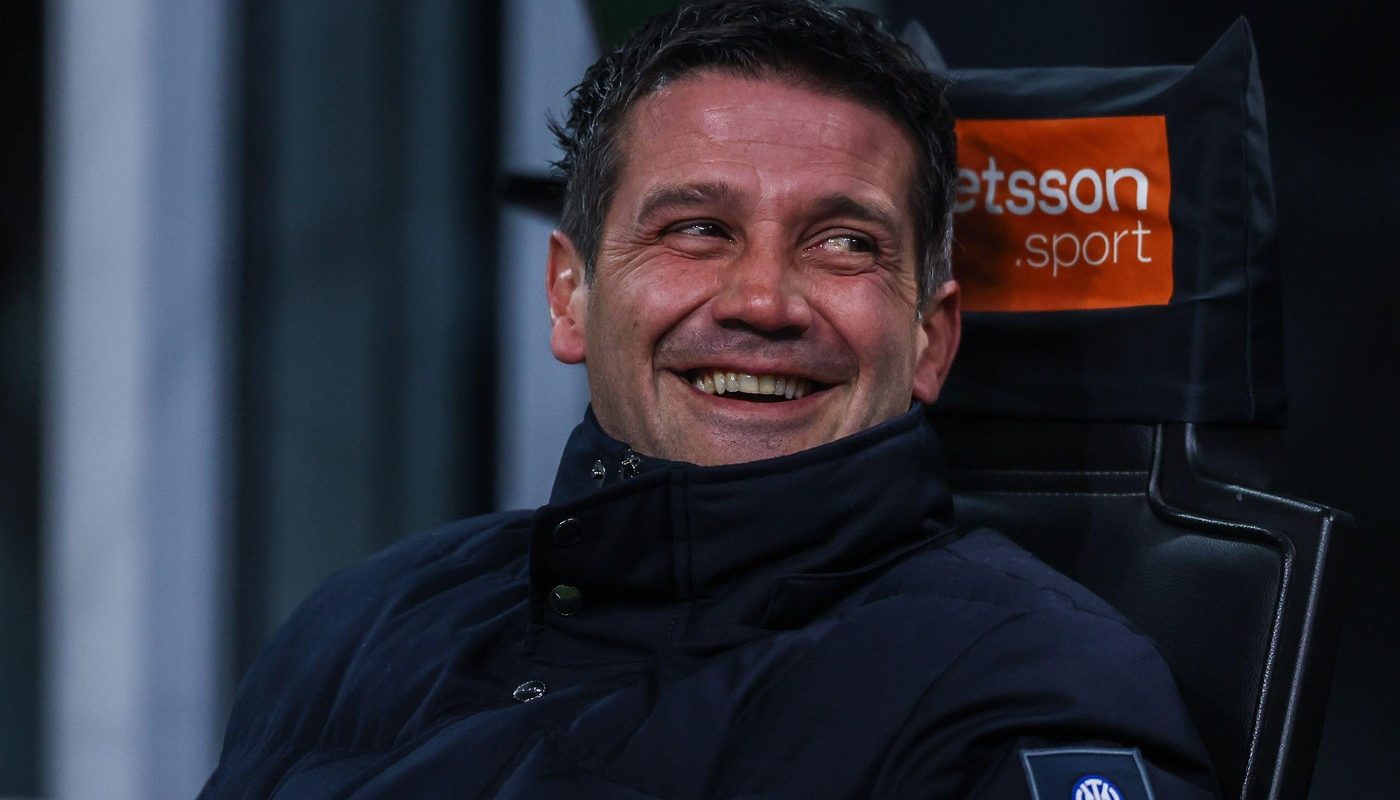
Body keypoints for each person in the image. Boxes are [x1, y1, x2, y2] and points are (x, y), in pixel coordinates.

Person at [200, 1, 1219, 797]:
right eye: (696, 229)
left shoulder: (1026, 687)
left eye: (844, 243)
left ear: (930, 340)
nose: (763, 301)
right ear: (569, 294)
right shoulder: (365, 618)